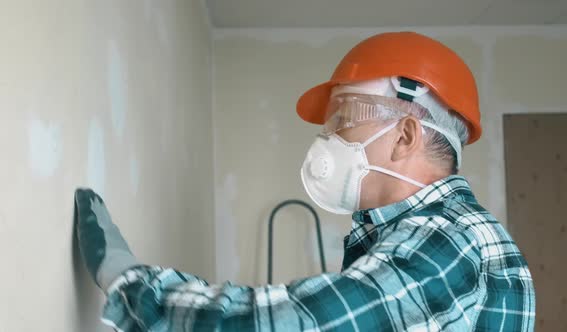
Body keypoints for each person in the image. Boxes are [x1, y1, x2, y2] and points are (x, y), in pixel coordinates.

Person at [75, 32, 535, 331]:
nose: (327, 138)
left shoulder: (448, 242)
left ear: (406, 135)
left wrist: (129, 280)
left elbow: (296, 323)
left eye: (344, 117)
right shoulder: (441, 235)